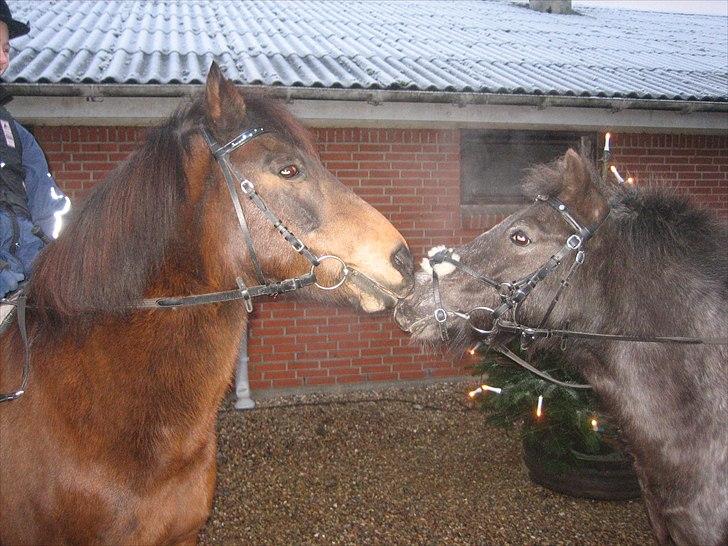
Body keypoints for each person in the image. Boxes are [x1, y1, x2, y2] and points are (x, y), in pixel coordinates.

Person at [0, 0, 69, 299]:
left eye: (4, 49)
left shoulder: (16, 135)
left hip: (28, 281)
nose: (1, 58)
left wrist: (67, 260)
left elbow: (50, 210)